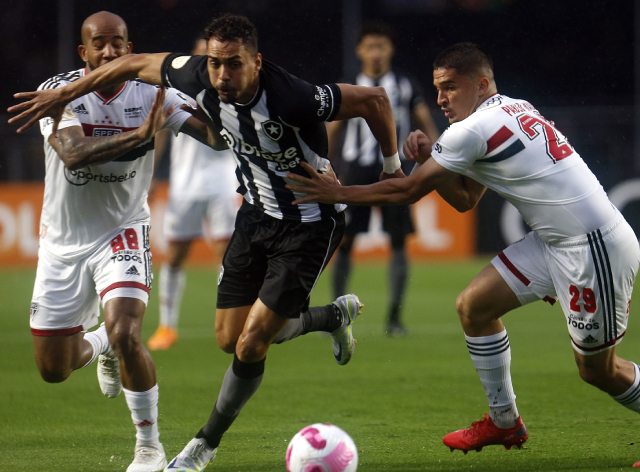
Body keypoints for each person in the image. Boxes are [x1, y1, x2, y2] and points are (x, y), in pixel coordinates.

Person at [8, 14, 402, 471]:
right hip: (247, 217)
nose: (221, 76)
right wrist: (69, 96)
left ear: (255, 62)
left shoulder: (291, 95)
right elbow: (106, 110)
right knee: (226, 339)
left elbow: (372, 99)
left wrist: (391, 168)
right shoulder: (184, 76)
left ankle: (193, 448)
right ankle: (329, 315)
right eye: (215, 64)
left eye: (233, 65)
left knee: (246, 341)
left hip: (304, 222)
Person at [286, 42, 640, 463]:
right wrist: (424, 159)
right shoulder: (511, 108)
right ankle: (504, 421)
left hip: (590, 247)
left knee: (598, 371)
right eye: (438, 88)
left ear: (483, 84)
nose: (440, 99)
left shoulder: (472, 129)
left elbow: (408, 191)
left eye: (451, 87)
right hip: (555, 242)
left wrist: (338, 191)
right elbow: (467, 198)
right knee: (474, 307)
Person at [18, 11, 215, 472]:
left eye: (118, 43)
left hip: (124, 230)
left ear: (130, 48)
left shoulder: (153, 93)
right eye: (99, 44)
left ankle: (149, 448)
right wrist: (139, 137)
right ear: (83, 53)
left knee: (129, 331)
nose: (109, 51)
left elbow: (215, 138)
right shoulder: (59, 91)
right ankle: (100, 343)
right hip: (64, 243)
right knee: (54, 369)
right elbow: (72, 155)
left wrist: (222, 106)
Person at [327, 21, 439, 336]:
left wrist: (441, 154)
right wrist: (325, 163)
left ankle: (394, 318)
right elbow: (333, 128)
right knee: (345, 241)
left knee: (398, 241)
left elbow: (426, 122)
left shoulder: (404, 83)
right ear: (360, 51)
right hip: (355, 171)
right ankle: (335, 314)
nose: (376, 53)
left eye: (382, 46)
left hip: (396, 171)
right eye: (370, 47)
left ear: (390, 50)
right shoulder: (349, 83)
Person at [147, 39, 239, 351]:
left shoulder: (229, 89)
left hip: (224, 183)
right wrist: (151, 174)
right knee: (175, 256)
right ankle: (167, 326)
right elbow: (160, 128)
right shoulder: (179, 91)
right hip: (184, 183)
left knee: (226, 254)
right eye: (201, 54)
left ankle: (227, 323)